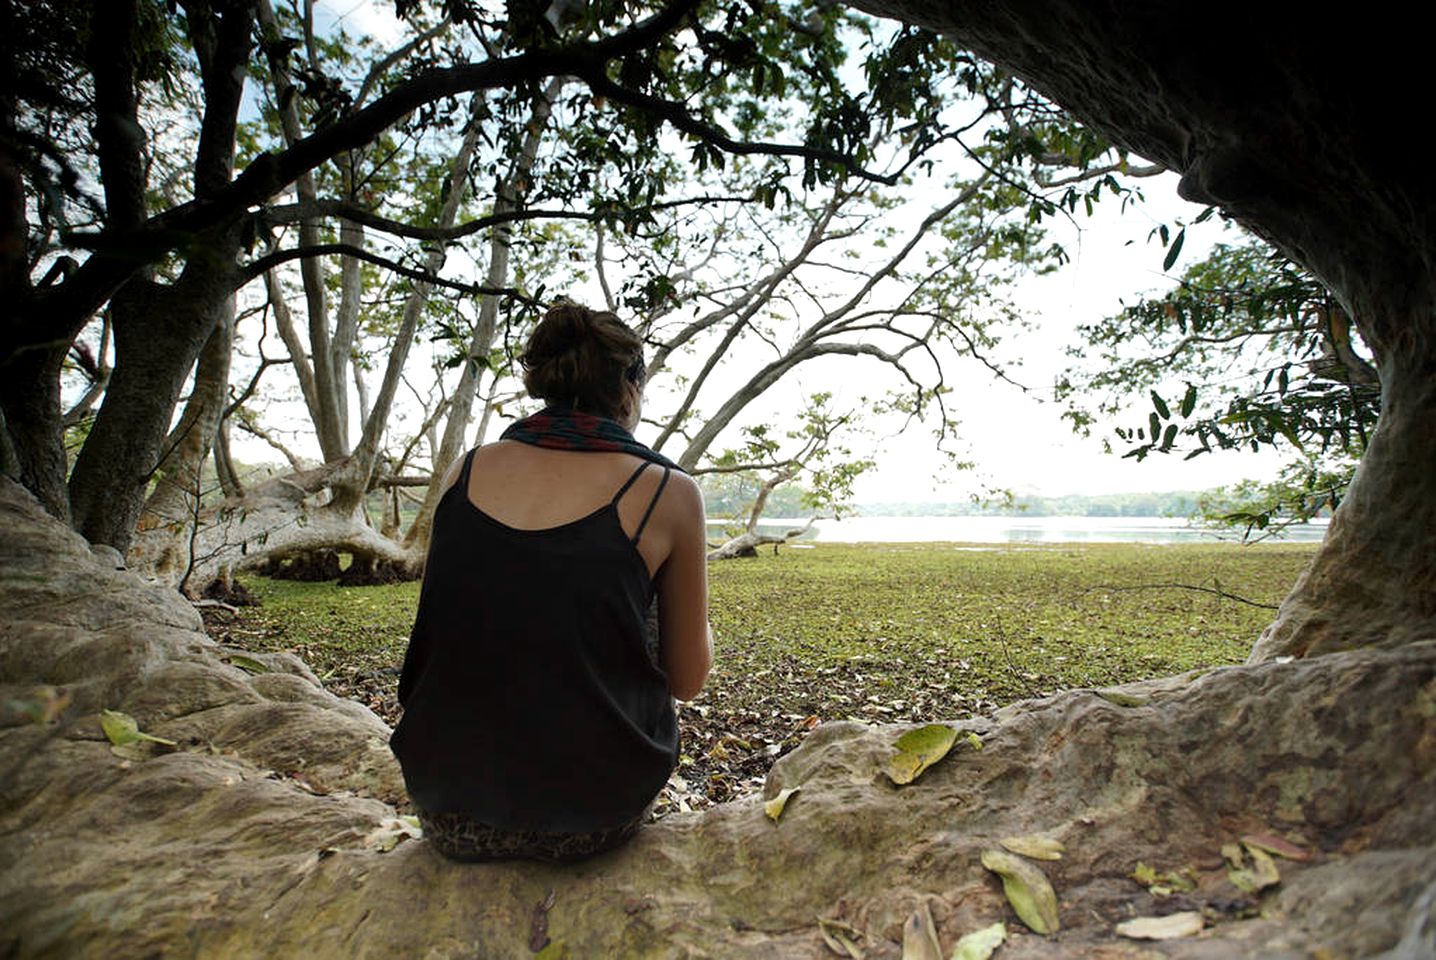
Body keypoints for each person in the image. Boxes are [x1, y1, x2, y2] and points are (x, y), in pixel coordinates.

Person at [390, 301, 712, 863]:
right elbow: (688, 680)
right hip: (592, 819)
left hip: (449, 810)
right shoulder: (668, 490)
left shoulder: (464, 471)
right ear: (629, 389)